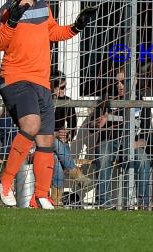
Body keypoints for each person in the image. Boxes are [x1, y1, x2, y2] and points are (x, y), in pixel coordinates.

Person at [0, 0, 97, 209]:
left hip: (41, 82)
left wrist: (76, 27)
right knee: (31, 124)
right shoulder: (8, 9)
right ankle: (5, 181)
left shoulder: (43, 7)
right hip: (16, 78)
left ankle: (40, 195)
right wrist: (12, 21)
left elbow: (53, 33)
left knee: (46, 141)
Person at [93, 66, 151, 209]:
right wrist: (99, 122)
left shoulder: (141, 102)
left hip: (131, 143)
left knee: (143, 160)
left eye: (123, 82)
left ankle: (144, 205)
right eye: (116, 82)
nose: (119, 86)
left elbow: (147, 132)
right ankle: (104, 204)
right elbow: (92, 127)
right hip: (110, 142)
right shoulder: (106, 99)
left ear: (134, 81)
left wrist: (138, 143)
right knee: (103, 155)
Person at [50, 71, 91, 206]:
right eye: (60, 87)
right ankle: (77, 174)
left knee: (57, 161)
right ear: (52, 87)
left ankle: (56, 202)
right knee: (55, 144)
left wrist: (67, 134)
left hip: (61, 145)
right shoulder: (45, 102)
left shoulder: (67, 101)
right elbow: (39, 129)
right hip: (44, 143)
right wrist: (55, 134)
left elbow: (73, 126)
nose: (63, 90)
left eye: (65, 87)